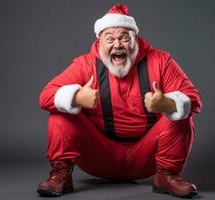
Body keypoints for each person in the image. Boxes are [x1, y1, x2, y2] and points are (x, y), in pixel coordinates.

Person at [37, 3, 202, 198]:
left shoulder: (160, 61)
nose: (118, 45)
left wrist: (166, 104)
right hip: (99, 156)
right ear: (100, 43)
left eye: (125, 38)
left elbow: (193, 100)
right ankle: (61, 174)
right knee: (60, 113)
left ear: (136, 40)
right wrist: (76, 97)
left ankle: (167, 175)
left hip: (146, 157)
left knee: (181, 114)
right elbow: (45, 96)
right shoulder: (85, 65)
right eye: (110, 39)